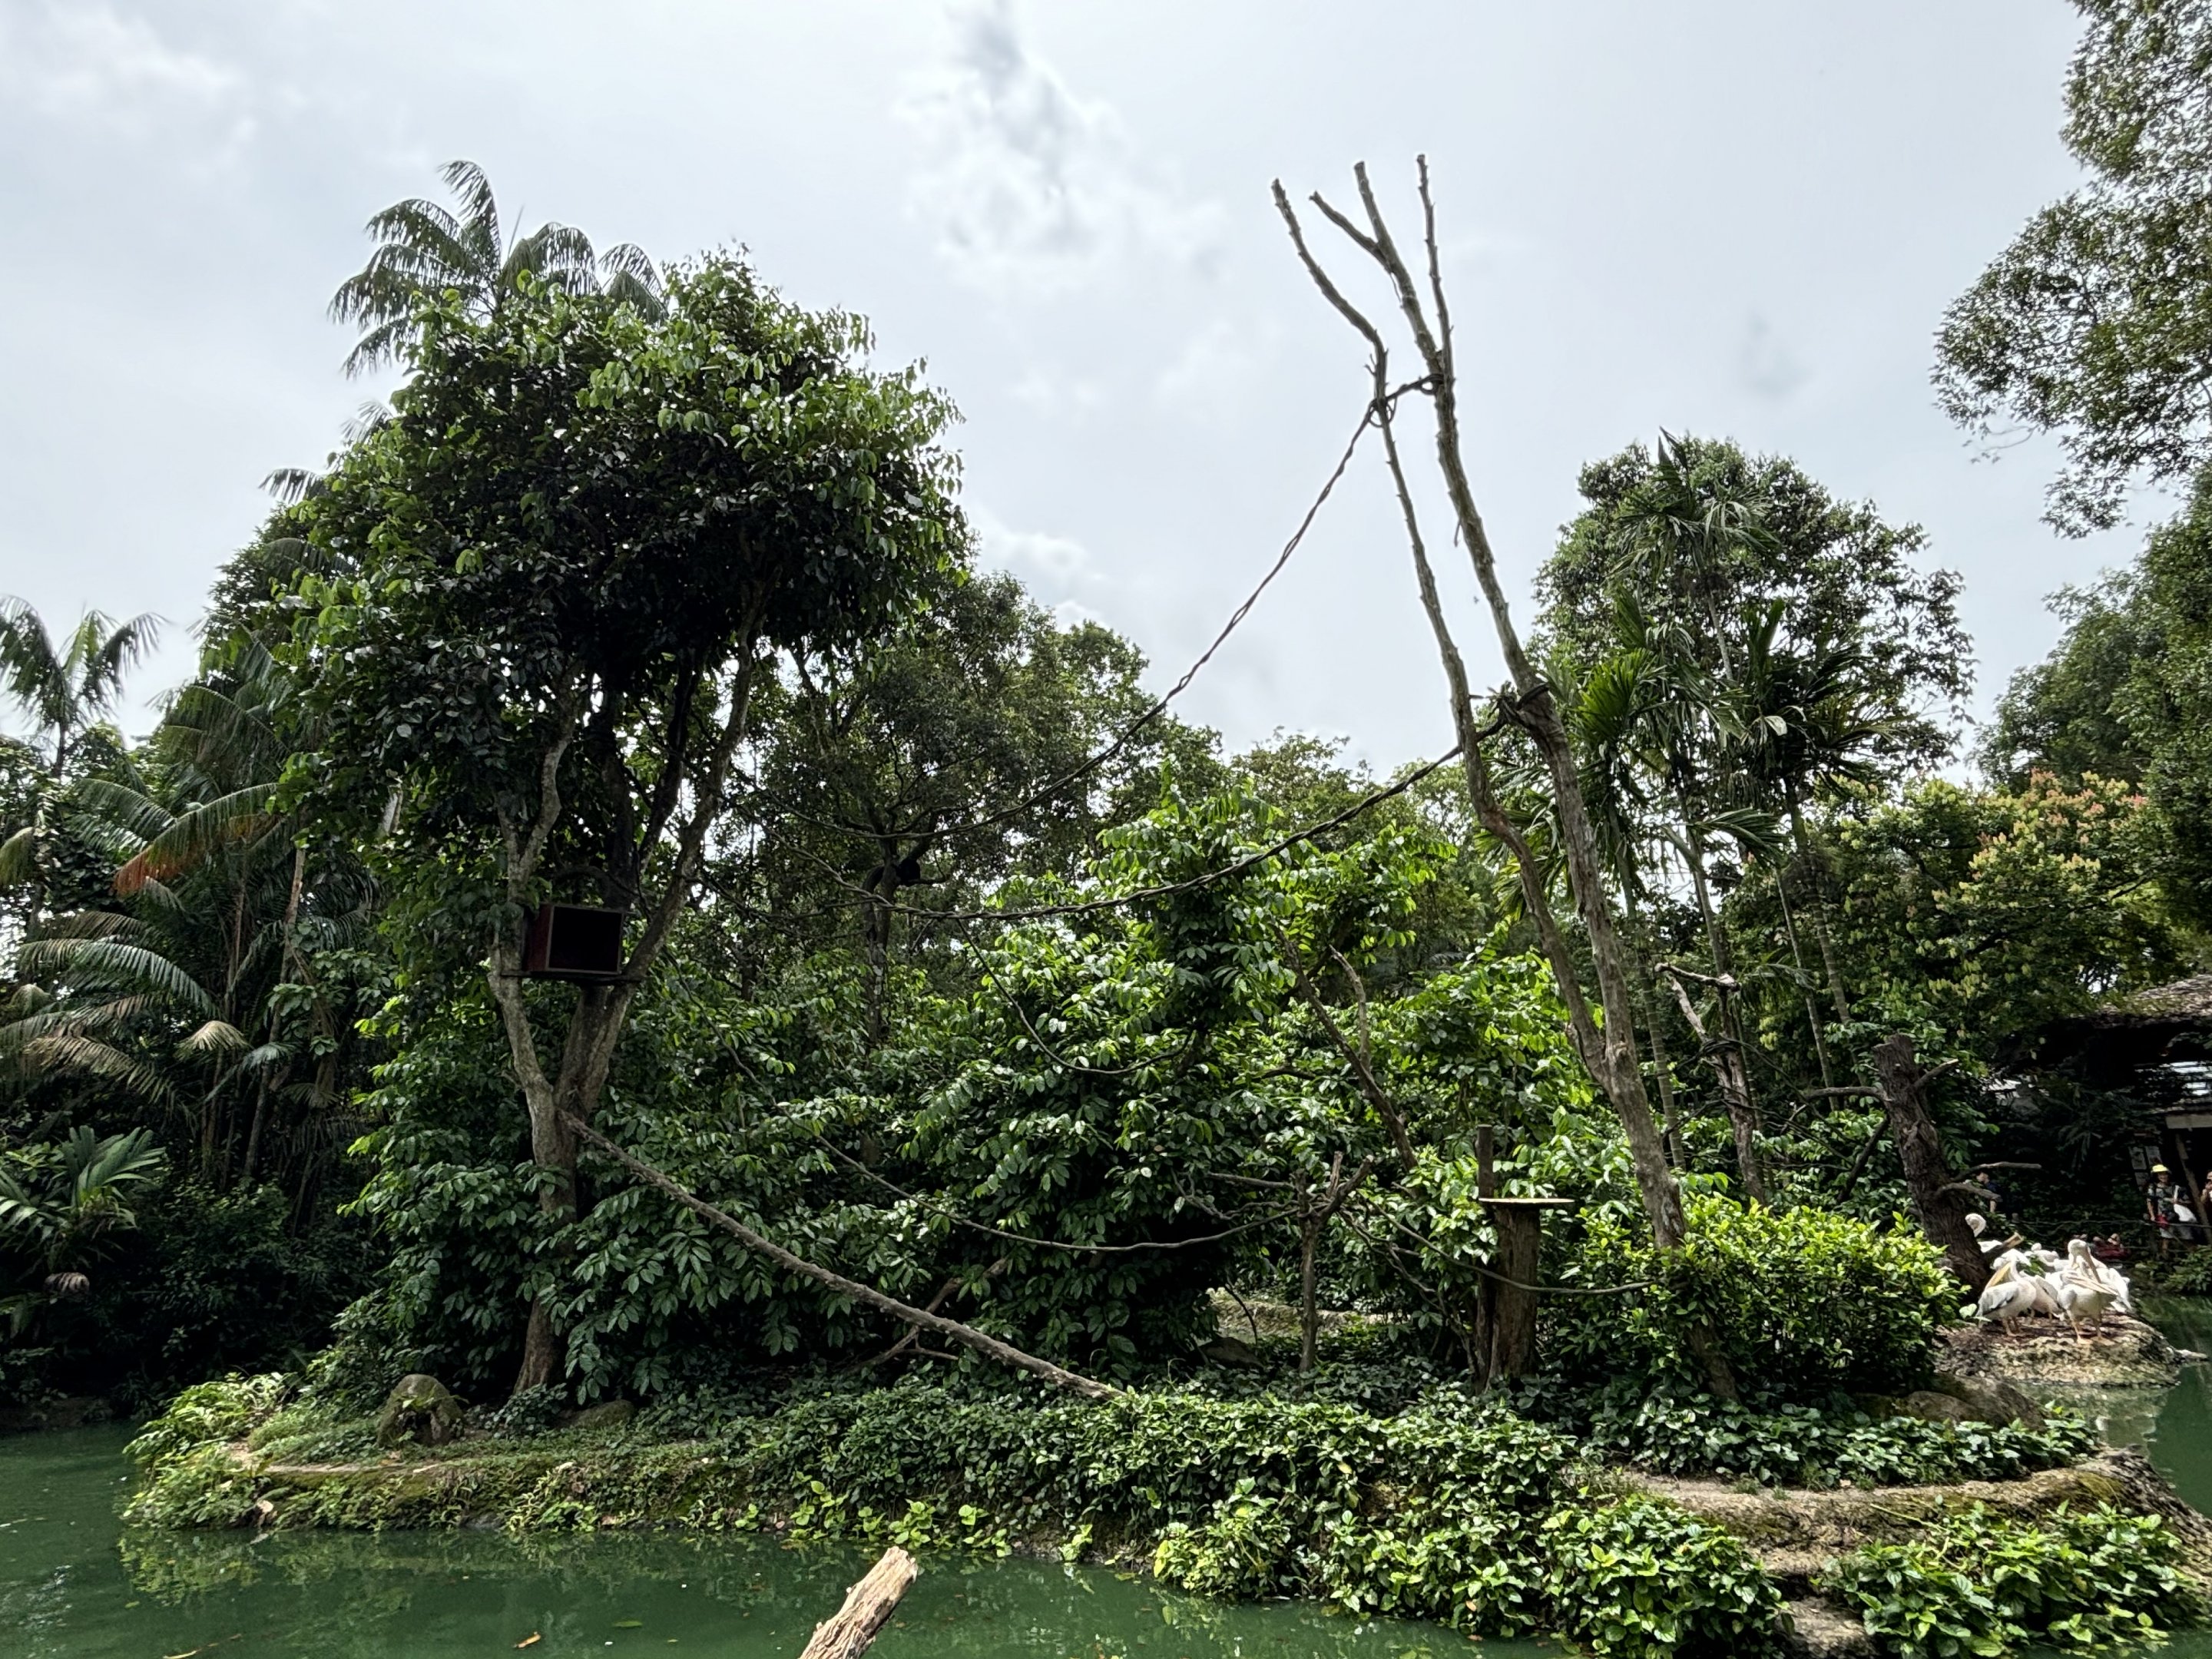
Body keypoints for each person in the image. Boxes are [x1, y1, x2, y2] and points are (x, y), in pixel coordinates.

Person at [2147, 1164, 2196, 1251]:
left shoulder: (2176, 1187)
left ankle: (2194, 1257)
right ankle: (2165, 1259)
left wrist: (2179, 1202)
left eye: (2164, 1174)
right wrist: (2152, 1215)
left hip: (2179, 1216)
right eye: (2160, 1174)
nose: (2163, 1176)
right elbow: (2149, 1201)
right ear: (2156, 1176)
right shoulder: (2153, 1188)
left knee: (2187, 1238)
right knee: (2166, 1239)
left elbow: (2188, 1201)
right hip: (2164, 1217)